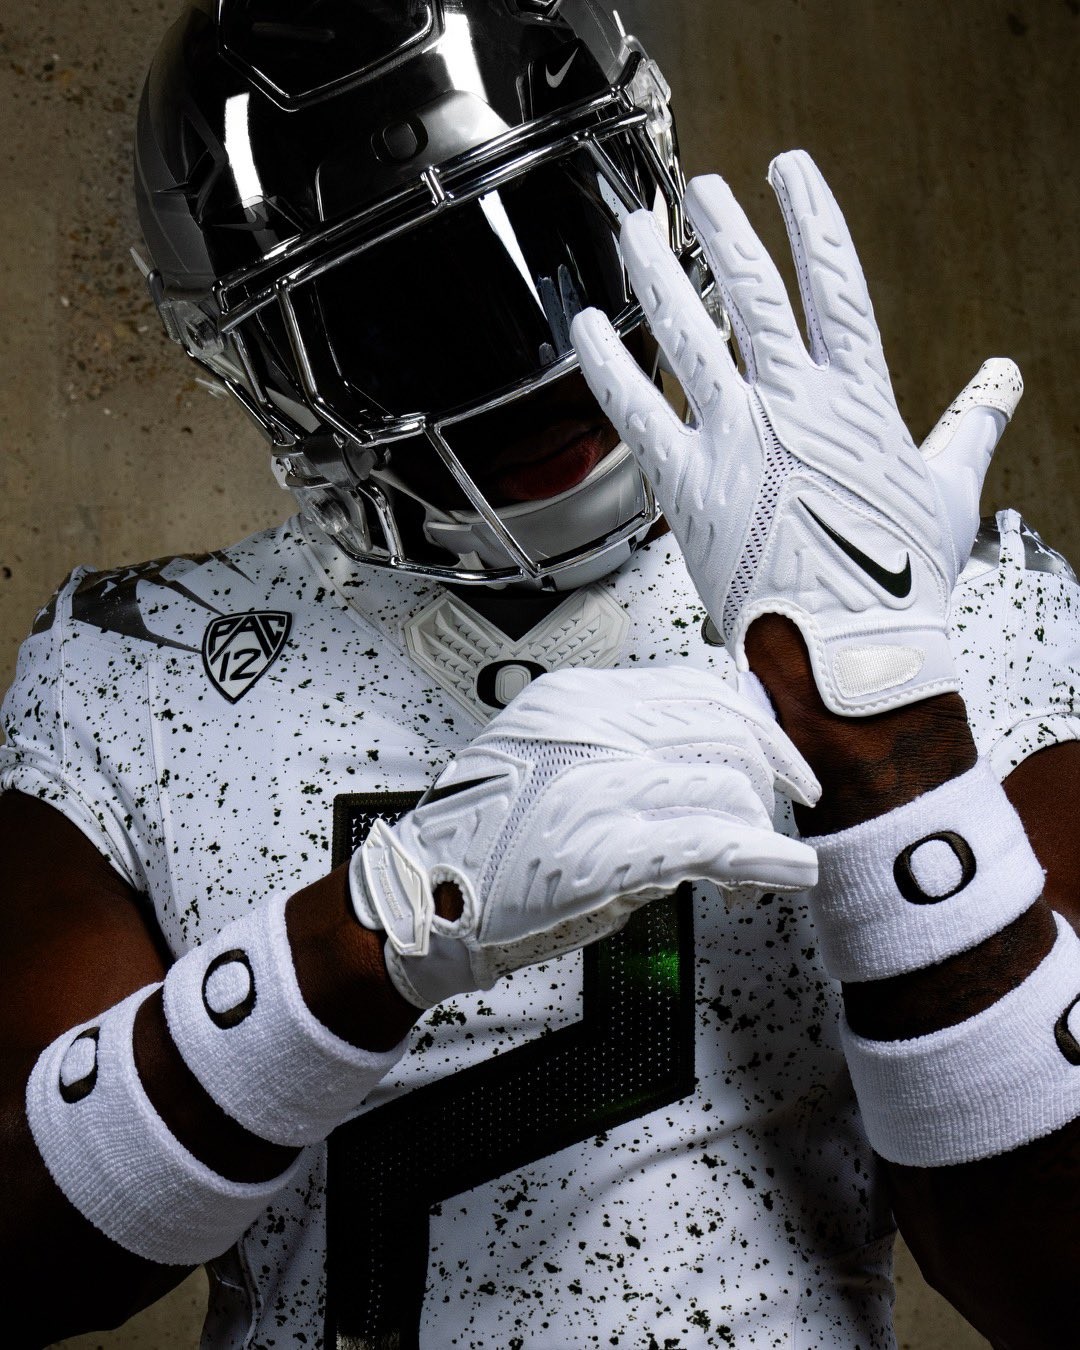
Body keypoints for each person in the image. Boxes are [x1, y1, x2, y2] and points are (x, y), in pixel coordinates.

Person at [1, 4, 1077, 1349]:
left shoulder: (946, 603)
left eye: (551, 235)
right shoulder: (143, 661)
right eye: (395, 303)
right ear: (267, 360)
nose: (521, 357)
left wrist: (895, 746)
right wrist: (371, 931)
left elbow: (1057, 1284)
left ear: (641, 191)